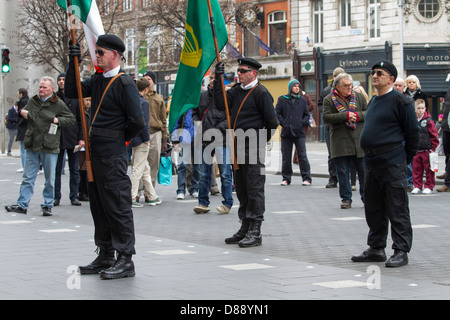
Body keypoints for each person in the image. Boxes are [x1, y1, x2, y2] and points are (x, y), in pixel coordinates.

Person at [65, 34, 145, 279]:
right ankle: (105, 253)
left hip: (112, 152)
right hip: (94, 151)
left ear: (115, 55)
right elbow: (71, 90)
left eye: (101, 52)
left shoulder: (125, 83)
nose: (97, 55)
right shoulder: (98, 78)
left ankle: (125, 258)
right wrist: (73, 62)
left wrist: (119, 140)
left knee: (117, 205)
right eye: (96, 51)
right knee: (99, 205)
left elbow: (137, 122)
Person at [352, 61, 420, 267]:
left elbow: (413, 134)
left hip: (392, 162)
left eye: (379, 73)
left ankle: (401, 250)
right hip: (371, 163)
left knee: (397, 208)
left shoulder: (401, 101)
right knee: (373, 207)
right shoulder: (373, 101)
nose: (374, 76)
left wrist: (403, 160)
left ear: (391, 79)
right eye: (373, 73)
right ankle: (376, 247)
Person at [214, 57, 279, 248]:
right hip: (236, 145)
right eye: (238, 71)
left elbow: (272, 122)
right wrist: (219, 79)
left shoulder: (261, 92)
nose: (239, 74)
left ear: (253, 73)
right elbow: (220, 104)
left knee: (254, 188)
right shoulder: (235, 90)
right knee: (241, 188)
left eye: (243, 71)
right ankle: (244, 225)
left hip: (253, 146)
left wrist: (260, 140)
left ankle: (255, 230)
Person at [5, 77, 76, 216]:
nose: (41, 89)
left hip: (49, 145)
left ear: (51, 89)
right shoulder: (33, 100)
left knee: (50, 179)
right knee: (27, 177)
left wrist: (57, 120)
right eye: (40, 87)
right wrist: (24, 112)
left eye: (44, 87)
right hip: (33, 143)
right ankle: (22, 204)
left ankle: (47, 204)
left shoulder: (58, 104)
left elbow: (71, 119)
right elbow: (24, 110)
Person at [323, 73, 367, 209]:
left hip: (358, 142)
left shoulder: (359, 97)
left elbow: (368, 113)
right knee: (343, 173)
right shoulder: (329, 99)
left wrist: (357, 116)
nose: (349, 88)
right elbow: (326, 117)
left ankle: (367, 198)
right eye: (346, 86)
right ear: (337, 86)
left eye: (350, 85)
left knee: (364, 173)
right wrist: (345, 116)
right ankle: (346, 199)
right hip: (340, 142)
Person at [192, 70, 233, 214]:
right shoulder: (202, 96)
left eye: (215, 78)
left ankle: (227, 202)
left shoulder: (228, 96)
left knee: (225, 173)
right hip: (205, 139)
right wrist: (198, 122)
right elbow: (195, 113)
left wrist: (218, 128)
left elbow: (231, 116)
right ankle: (203, 203)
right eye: (211, 78)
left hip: (222, 138)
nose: (212, 80)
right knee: (204, 173)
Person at [53, 73, 85, 207]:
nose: (61, 82)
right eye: (59, 80)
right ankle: (56, 197)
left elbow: (80, 119)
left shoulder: (75, 98)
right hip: (58, 137)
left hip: (72, 137)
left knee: (74, 169)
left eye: (63, 80)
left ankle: (74, 196)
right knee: (57, 169)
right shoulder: (53, 98)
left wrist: (81, 138)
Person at [138, 70, 169, 203]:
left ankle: (149, 192)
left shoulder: (159, 98)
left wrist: (164, 139)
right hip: (140, 133)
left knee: (153, 164)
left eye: (149, 78)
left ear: (153, 82)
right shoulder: (138, 97)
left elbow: (163, 119)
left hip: (155, 133)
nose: (147, 80)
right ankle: (136, 192)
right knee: (138, 164)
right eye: (144, 78)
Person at [130, 78, 161, 207]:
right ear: (146, 89)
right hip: (141, 139)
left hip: (132, 138)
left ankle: (152, 195)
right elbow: (144, 123)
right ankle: (131, 197)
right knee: (138, 169)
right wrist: (146, 138)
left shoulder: (132, 100)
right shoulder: (144, 103)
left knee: (145, 168)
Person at [276, 79, 312, 186]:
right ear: (290, 88)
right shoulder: (282, 99)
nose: (297, 88)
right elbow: (277, 113)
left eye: (298, 86)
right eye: (294, 86)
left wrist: (302, 122)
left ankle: (306, 178)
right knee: (286, 157)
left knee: (302, 156)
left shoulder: (302, 100)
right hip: (286, 132)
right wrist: (283, 122)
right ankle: (286, 178)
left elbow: (306, 114)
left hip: (299, 132)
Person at [318, 67, 345, 188]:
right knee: (332, 154)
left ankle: (345, 177)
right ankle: (333, 178)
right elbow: (320, 104)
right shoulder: (326, 91)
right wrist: (325, 113)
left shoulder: (347, 90)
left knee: (345, 154)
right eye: (336, 76)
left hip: (344, 127)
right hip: (330, 127)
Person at [411, 99, 439, 194]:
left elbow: (434, 135)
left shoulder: (428, 121)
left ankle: (429, 186)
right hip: (417, 150)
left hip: (427, 150)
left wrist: (433, 148)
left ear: (425, 109)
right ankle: (417, 186)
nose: (420, 110)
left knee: (429, 169)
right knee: (416, 169)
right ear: (415, 109)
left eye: (422, 108)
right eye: (418, 108)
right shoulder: (413, 120)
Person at [172, 108, 200, 200]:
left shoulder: (200, 106)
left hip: (198, 139)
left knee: (197, 166)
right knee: (182, 166)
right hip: (185, 139)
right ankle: (181, 190)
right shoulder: (185, 108)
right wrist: (175, 140)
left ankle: (194, 188)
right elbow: (177, 123)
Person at [394, 77, 415, 192]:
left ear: (404, 87)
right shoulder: (389, 99)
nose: (397, 87)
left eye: (400, 85)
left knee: (407, 161)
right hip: (394, 135)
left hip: (405, 133)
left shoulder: (408, 100)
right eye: (396, 85)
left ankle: (409, 182)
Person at [437, 86, 450, 192]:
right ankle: (447, 172)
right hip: (446, 125)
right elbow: (446, 104)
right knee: (447, 152)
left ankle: (448, 183)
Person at [78, 97, 91, 202]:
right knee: (82, 167)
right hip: (82, 142)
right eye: (86, 100)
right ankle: (82, 191)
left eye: (90, 100)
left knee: (87, 167)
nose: (88, 102)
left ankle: (86, 191)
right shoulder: (81, 113)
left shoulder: (92, 113)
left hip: (90, 142)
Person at [15, 88, 29, 172]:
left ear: (21, 94)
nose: (17, 95)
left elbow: (21, 116)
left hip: (23, 128)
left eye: (18, 93)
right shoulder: (29, 101)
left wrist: (19, 123)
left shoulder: (22, 102)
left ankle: (24, 166)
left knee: (23, 149)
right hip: (29, 128)